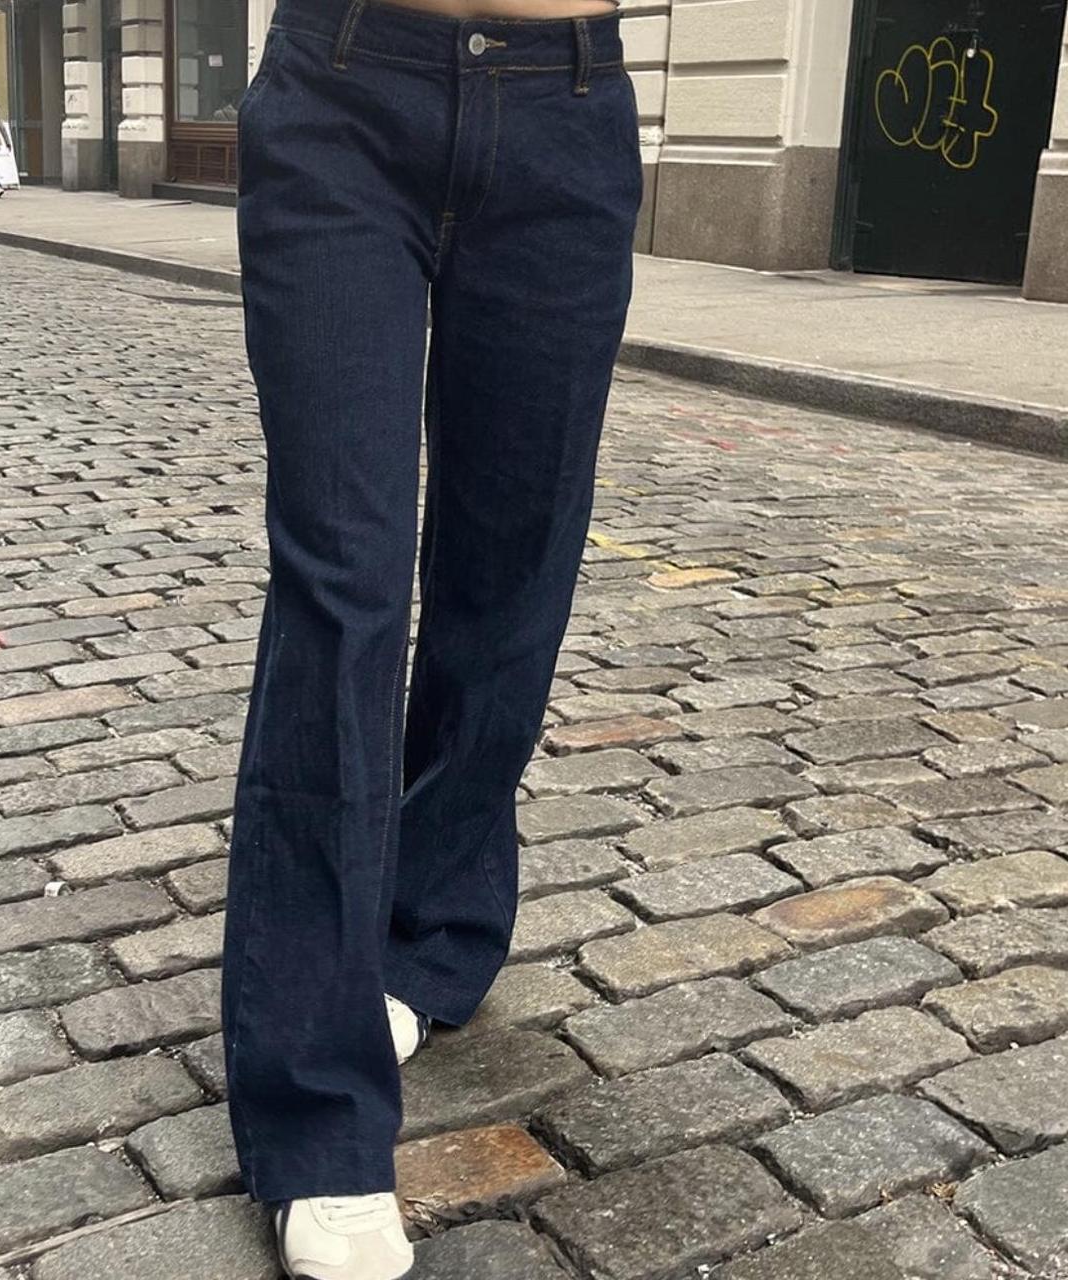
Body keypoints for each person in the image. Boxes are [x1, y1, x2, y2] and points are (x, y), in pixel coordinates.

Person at [221, 0, 640, 1273]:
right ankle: (317, 1112)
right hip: (344, 90)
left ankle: (431, 930)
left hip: (566, 110)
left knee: (512, 576)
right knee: (340, 583)